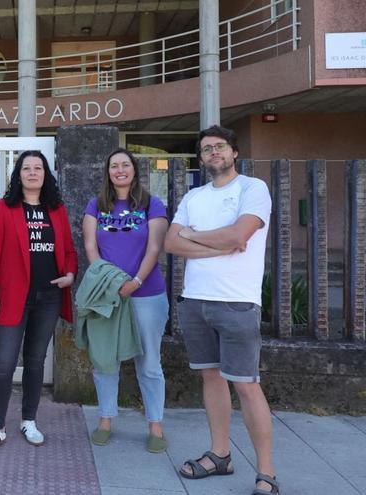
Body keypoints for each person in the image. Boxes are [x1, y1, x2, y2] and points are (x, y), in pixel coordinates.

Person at [165, 125, 278, 495]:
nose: (213, 153)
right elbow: (170, 242)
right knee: (211, 379)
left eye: (220, 147)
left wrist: (193, 235)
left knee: (246, 385)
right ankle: (220, 454)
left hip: (237, 301)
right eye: (207, 149)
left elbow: (238, 236)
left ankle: (266, 472)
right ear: (201, 158)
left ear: (234, 152)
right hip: (195, 300)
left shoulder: (252, 189)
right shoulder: (193, 196)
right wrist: (216, 244)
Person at [0, 150, 78, 454]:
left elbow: (70, 250)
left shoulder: (57, 210)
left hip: (48, 297)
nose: (32, 172)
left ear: (45, 174)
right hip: (10, 296)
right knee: (4, 365)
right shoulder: (2, 209)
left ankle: (29, 420)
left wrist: (70, 274)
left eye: (38, 168)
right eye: (26, 168)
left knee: (35, 362)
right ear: (18, 175)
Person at [82, 148, 170, 453]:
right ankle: (106, 420)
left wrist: (136, 281)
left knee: (149, 362)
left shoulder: (151, 204)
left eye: (125, 165)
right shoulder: (96, 205)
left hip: (147, 294)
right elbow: (90, 247)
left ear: (134, 169)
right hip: (109, 296)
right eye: (114, 166)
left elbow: (155, 247)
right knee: (105, 359)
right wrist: (108, 281)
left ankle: (155, 425)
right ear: (108, 172)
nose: (119, 170)